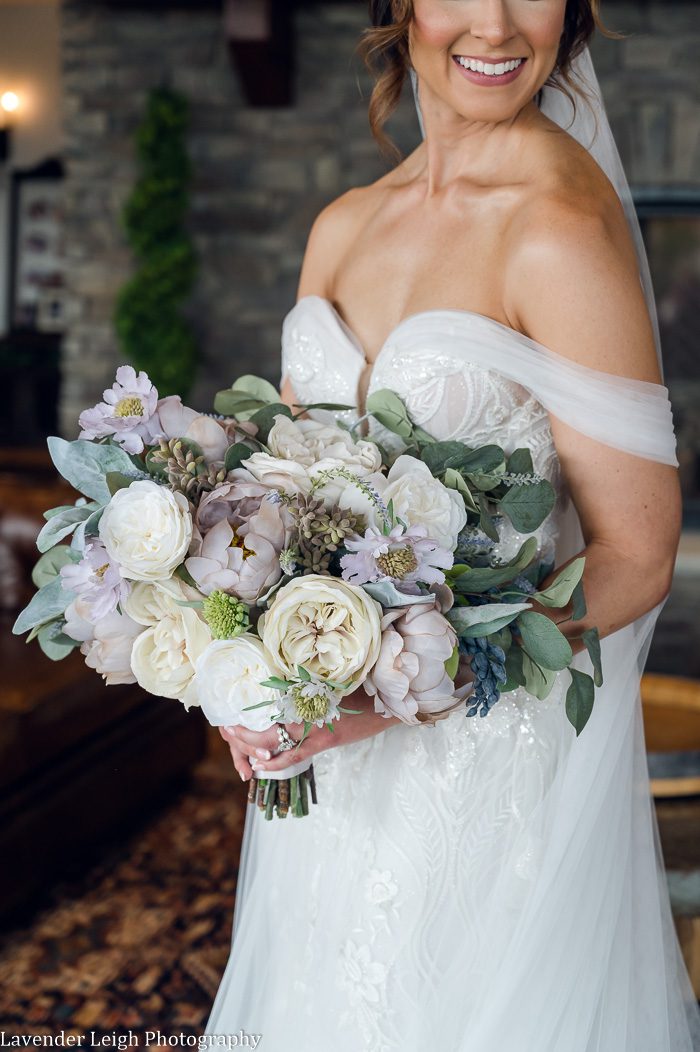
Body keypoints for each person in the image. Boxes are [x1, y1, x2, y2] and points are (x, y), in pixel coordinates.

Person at [208, 2, 700, 1048]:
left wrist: (399, 693)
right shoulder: (341, 223)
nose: (498, 23)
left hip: (488, 777)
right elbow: (292, 495)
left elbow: (637, 556)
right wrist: (246, 669)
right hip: (335, 764)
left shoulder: (560, 227)